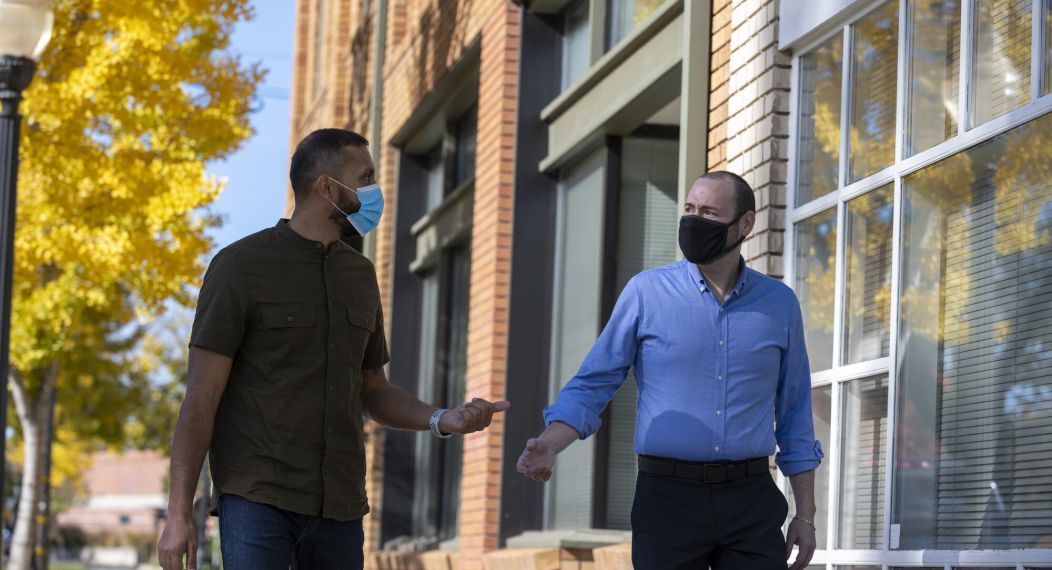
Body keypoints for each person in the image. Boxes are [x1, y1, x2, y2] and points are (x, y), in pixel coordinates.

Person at [157, 129, 509, 570]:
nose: (375, 191)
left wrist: (442, 419)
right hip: (258, 499)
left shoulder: (360, 276)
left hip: (341, 508)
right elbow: (200, 399)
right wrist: (178, 513)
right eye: (365, 178)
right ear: (327, 188)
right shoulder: (239, 268)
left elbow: (373, 390)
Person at [517, 171, 823, 570]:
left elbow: (796, 411)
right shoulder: (646, 293)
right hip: (667, 498)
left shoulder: (779, 304)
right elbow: (594, 383)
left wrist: (805, 515)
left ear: (745, 224)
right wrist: (550, 443)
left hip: (751, 499)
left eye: (710, 213)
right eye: (690, 209)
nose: (694, 221)